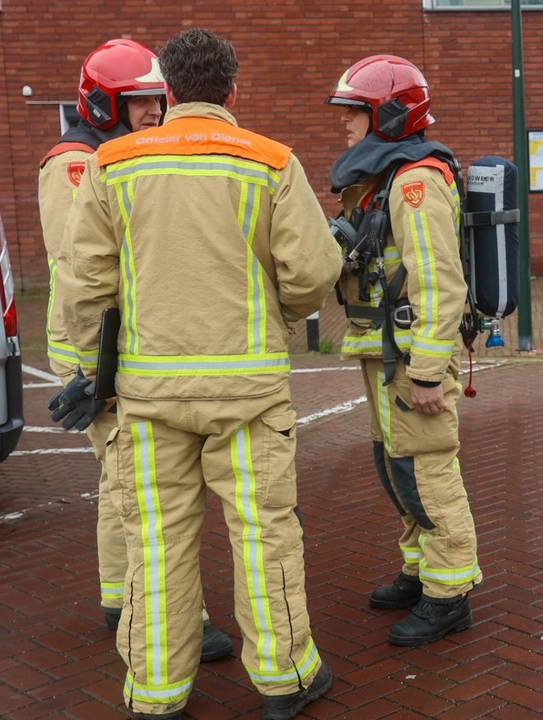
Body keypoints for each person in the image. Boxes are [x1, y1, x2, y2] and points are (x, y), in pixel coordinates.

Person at [56, 28, 340, 719]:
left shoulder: (112, 164)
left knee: (155, 543)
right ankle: (285, 680)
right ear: (233, 92)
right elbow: (313, 274)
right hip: (248, 393)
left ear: (169, 93)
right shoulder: (272, 162)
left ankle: (156, 693)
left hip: (147, 397)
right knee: (265, 535)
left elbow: (84, 282)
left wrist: (90, 371)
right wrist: (279, 302)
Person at [38, 37, 233, 664]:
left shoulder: (120, 157)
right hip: (101, 351)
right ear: (103, 106)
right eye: (141, 102)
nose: (155, 112)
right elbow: (83, 266)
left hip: (114, 346)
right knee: (141, 491)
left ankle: (121, 597)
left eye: (157, 99)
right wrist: (96, 369)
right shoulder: (75, 164)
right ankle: (177, 620)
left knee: (120, 481)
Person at [326, 55, 482, 647]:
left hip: (411, 360)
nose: (345, 127)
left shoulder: (414, 183)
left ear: (388, 116)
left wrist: (424, 373)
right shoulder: (382, 179)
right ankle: (420, 571)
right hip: (382, 354)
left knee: (427, 470)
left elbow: (439, 284)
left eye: (354, 114)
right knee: (397, 468)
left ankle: (450, 595)